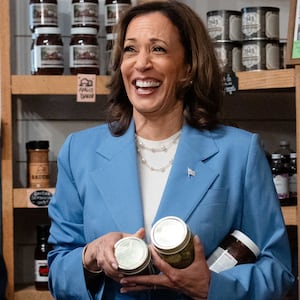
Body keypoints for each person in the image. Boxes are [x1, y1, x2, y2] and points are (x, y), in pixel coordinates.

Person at [47, 1, 295, 299]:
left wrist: (211, 287)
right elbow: (59, 269)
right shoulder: (80, 152)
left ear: (188, 68)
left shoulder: (239, 153)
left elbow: (278, 270)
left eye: (158, 49)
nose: (141, 63)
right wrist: (89, 256)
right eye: (130, 49)